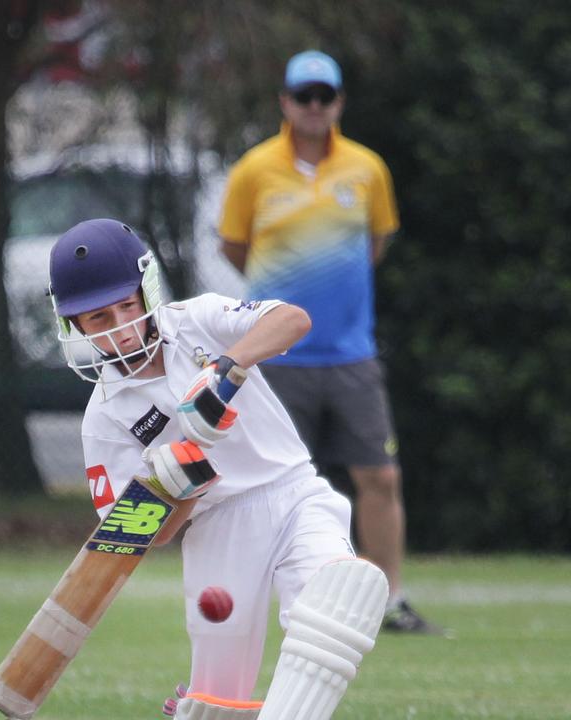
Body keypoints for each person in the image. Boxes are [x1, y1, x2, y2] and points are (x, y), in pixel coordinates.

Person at [48, 218, 388, 719]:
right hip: (216, 531)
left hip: (295, 492)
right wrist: (176, 487)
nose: (120, 327)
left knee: (334, 604)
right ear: (73, 324)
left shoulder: (197, 320)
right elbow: (133, 533)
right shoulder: (104, 418)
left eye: (126, 306)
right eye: (99, 319)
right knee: (215, 704)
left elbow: (292, 320)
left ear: (146, 292)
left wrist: (224, 369)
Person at [217, 50, 445, 635]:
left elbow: (374, 245)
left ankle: (389, 600)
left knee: (380, 477)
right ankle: (273, 601)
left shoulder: (367, 169)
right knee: (269, 484)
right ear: (285, 103)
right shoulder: (253, 170)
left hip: (351, 354)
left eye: (325, 96)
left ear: (339, 102)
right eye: (303, 96)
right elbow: (235, 249)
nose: (314, 107)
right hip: (276, 359)